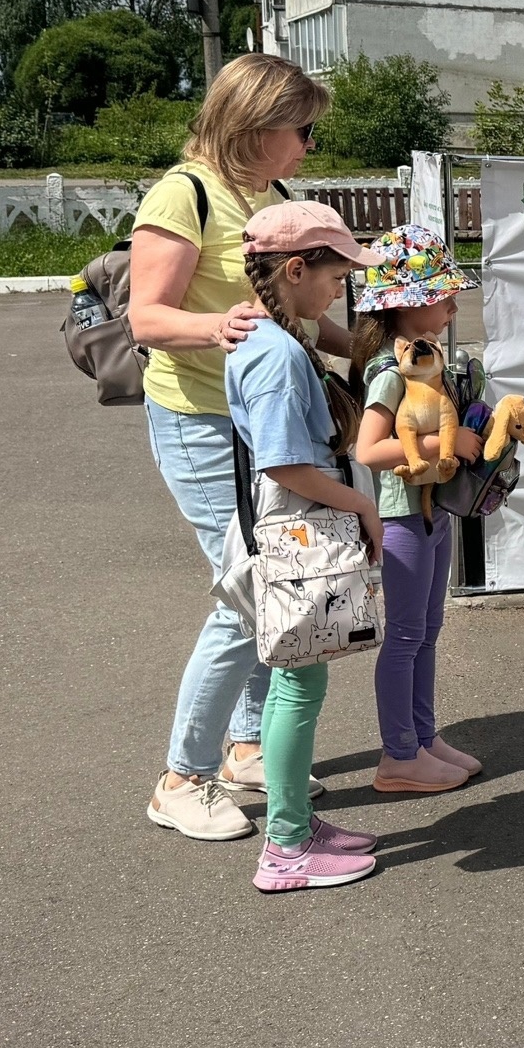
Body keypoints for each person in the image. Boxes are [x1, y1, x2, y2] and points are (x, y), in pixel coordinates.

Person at [126, 54, 340, 841]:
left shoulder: (269, 197)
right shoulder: (182, 195)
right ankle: (181, 776)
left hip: (261, 426)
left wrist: (370, 346)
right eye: (302, 129)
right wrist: (213, 328)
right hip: (202, 422)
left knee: (268, 584)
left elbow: (295, 312)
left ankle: (249, 744)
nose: (309, 146)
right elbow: (145, 318)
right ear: (256, 125)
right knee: (251, 590)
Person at [228, 202, 388, 892]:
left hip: (296, 534)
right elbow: (283, 465)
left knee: (301, 679)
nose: (338, 296)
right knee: (297, 683)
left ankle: (294, 819)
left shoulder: (271, 339)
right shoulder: (276, 356)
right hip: (300, 535)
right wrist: (362, 508)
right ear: (295, 270)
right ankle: (286, 847)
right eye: (334, 279)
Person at [349, 224, 492, 796]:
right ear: (408, 304)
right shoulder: (390, 372)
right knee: (407, 636)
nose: (454, 306)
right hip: (402, 517)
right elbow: (369, 449)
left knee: (428, 630)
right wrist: (443, 445)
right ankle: (398, 755)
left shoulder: (423, 360)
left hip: (430, 516)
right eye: (443, 297)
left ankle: (423, 739)